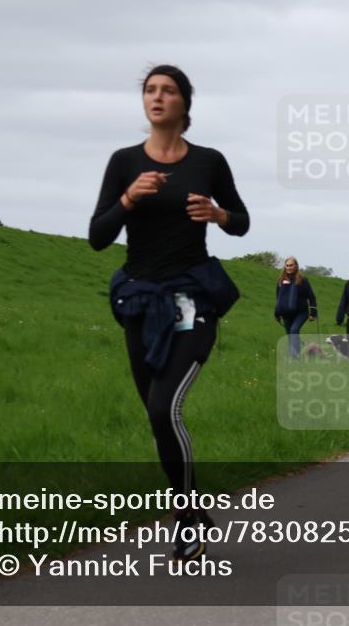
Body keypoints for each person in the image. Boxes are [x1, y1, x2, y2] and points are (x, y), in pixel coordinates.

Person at [89, 64, 249, 563]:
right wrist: (127, 198)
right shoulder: (123, 162)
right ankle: (193, 510)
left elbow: (240, 222)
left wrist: (219, 215)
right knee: (155, 418)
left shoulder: (209, 162)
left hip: (192, 297)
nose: (157, 97)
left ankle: (182, 519)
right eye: (150, 90)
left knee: (165, 408)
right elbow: (97, 236)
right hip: (140, 299)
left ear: (184, 104)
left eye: (168, 91)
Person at [274, 256, 317, 358]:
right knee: (290, 335)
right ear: (285, 267)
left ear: (296, 266)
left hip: (301, 312)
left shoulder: (303, 280)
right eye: (287, 265)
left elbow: (311, 297)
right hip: (286, 313)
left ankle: (295, 357)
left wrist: (313, 313)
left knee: (294, 330)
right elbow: (278, 298)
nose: (289, 267)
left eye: (291, 265)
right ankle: (294, 357)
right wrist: (277, 313)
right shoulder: (281, 281)